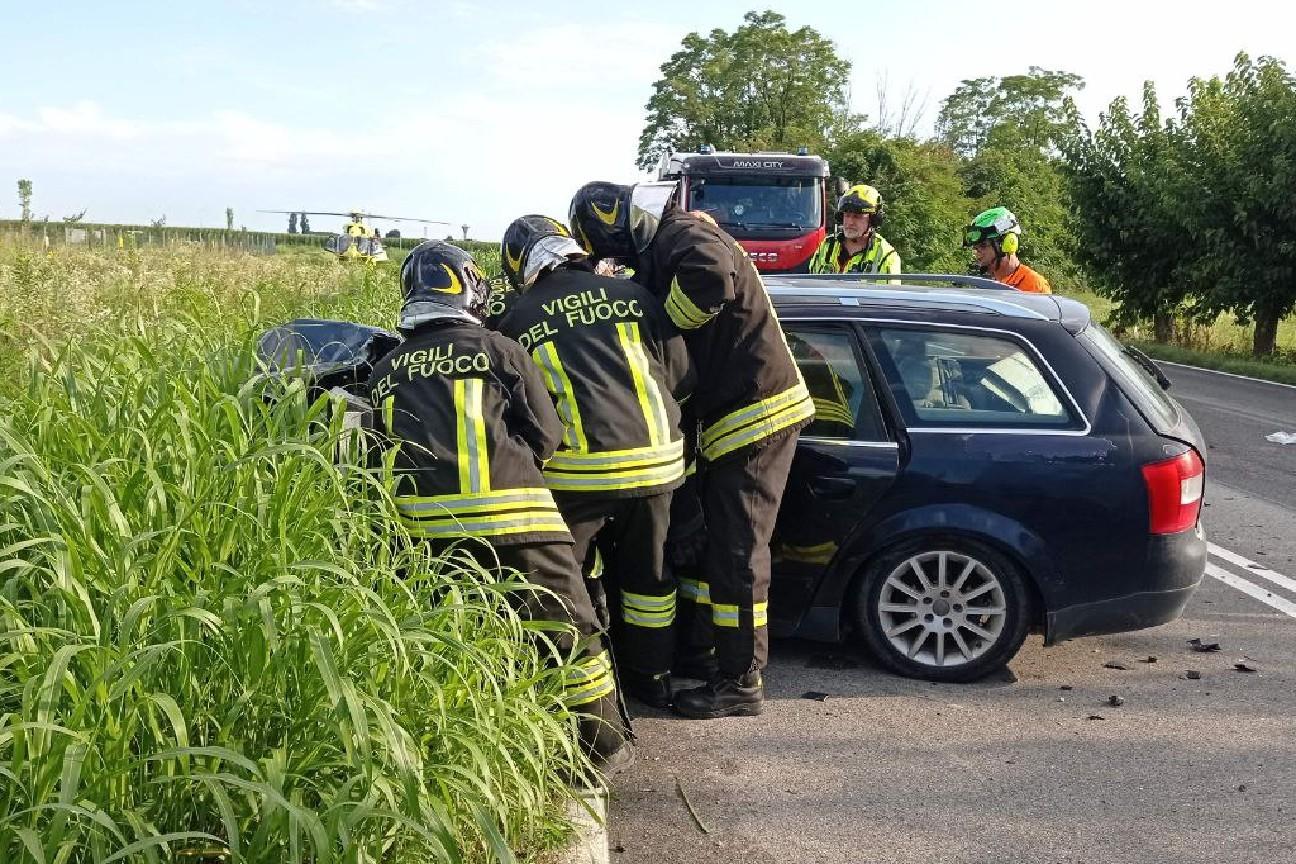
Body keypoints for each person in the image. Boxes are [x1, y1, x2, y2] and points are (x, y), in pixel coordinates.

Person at [366, 240, 630, 772]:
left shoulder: (386, 371)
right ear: (468, 288)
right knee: (568, 634)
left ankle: (486, 752)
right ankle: (597, 747)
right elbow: (547, 433)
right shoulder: (499, 350)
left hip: (430, 540)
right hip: (523, 525)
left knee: (468, 643)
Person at [570, 182, 815, 720]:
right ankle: (708, 656)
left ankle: (740, 682)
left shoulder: (682, 234)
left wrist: (661, 323)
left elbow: (709, 278)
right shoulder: (670, 241)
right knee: (714, 552)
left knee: (738, 556)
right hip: (735, 421)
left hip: (756, 415)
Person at [494, 215, 693, 709]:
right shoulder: (632, 296)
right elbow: (681, 375)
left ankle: (590, 691)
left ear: (520, 263)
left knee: (574, 580)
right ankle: (651, 678)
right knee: (650, 579)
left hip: (576, 478)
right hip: (657, 469)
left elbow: (518, 410)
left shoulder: (517, 317)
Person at [808, 184, 901, 275]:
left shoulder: (886, 256)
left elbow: (888, 290)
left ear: (873, 220)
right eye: (847, 215)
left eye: (857, 216)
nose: (850, 222)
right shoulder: (827, 246)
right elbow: (811, 285)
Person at [963, 206, 1052, 294]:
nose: (977, 254)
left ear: (1007, 244)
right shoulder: (989, 285)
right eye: (975, 248)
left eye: (983, 245)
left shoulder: (1033, 285)